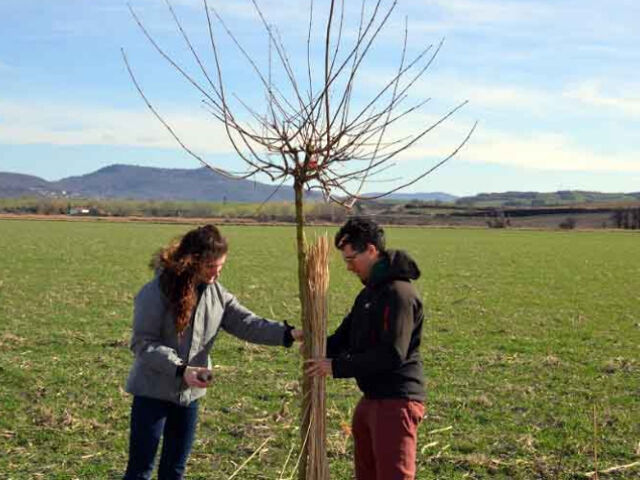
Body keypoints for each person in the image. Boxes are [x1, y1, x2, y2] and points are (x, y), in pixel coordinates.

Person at [123, 224, 302, 480]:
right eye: (210, 267)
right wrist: (180, 369)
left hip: (188, 397)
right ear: (192, 261)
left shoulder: (217, 294)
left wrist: (288, 333)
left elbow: (247, 324)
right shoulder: (156, 292)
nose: (216, 274)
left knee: (174, 470)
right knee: (140, 471)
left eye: (221, 268)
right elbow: (142, 343)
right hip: (151, 393)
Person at [305, 217, 425, 480]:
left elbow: (392, 354)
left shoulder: (398, 294)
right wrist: (312, 342)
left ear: (371, 250)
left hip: (396, 402)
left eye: (351, 259)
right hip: (371, 401)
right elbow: (343, 338)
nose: (348, 267)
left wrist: (336, 367)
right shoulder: (369, 294)